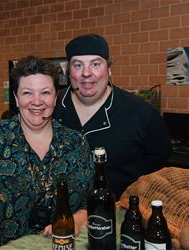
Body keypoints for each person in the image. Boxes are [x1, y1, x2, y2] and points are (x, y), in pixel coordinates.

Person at [0, 55, 94, 250]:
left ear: (55, 98)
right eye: (27, 93)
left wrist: (76, 220)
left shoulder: (76, 142)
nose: (36, 101)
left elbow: (91, 200)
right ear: (16, 98)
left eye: (45, 92)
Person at [54, 34, 172, 200]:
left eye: (95, 64)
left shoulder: (141, 113)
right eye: (78, 65)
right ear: (69, 72)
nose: (86, 73)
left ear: (109, 69)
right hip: (61, 216)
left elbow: (159, 169)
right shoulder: (51, 108)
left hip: (119, 216)